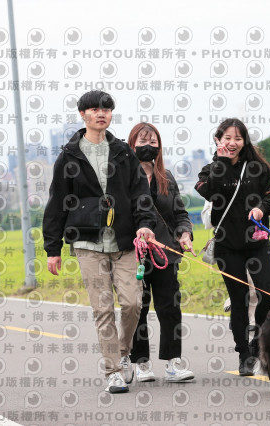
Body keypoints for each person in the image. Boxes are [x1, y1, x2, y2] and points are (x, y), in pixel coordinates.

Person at [42, 90, 156, 394]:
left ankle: (123, 352)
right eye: (94, 109)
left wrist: (145, 225)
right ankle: (113, 371)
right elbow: (56, 203)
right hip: (87, 242)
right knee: (103, 309)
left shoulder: (123, 152)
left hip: (125, 241)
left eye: (106, 109)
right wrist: (53, 249)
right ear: (83, 115)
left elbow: (140, 193)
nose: (101, 114)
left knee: (132, 302)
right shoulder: (69, 156)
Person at [195, 118, 270, 376]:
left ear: (245, 141)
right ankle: (244, 354)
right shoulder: (208, 171)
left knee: (268, 295)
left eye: (238, 138)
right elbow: (209, 192)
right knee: (239, 300)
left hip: (257, 243)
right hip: (227, 246)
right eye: (227, 138)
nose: (232, 143)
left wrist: (261, 208)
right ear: (218, 140)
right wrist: (221, 163)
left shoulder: (258, 168)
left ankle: (256, 343)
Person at [126, 123, 196, 383]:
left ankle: (173, 362)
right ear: (131, 144)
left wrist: (185, 233)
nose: (148, 146)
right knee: (137, 308)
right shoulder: (122, 178)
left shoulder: (166, 177)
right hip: (134, 255)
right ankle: (141, 362)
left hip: (166, 253)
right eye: (143, 141)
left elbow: (180, 214)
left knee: (170, 308)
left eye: (153, 142)